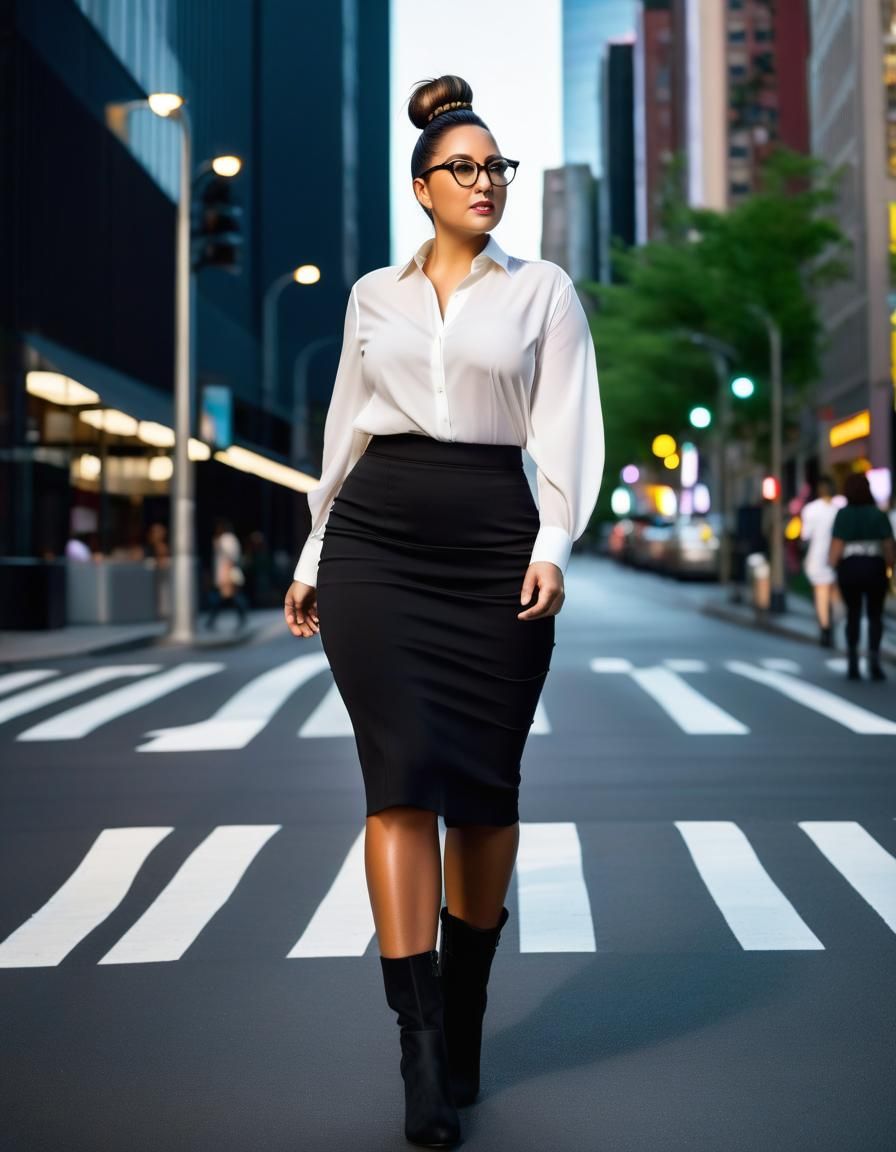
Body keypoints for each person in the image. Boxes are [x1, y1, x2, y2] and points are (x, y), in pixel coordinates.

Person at [283, 75, 603, 1148]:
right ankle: (419, 1051)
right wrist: (315, 548)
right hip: (376, 543)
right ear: (420, 187)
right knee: (399, 780)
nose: (484, 183)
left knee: (484, 792)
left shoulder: (542, 290)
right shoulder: (372, 294)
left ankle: (463, 1007)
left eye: (495, 168)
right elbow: (346, 428)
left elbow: (562, 428)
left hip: (490, 540)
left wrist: (552, 545)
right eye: (462, 169)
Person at [829, 472, 895, 681]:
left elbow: (837, 546)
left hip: (850, 567)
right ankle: (874, 660)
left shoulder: (843, 515)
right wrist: (889, 565)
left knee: (853, 614)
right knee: (875, 615)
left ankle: (853, 661)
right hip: (874, 566)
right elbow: (888, 547)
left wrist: (833, 564)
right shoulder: (878, 514)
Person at [800, 475, 845, 646]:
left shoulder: (811, 509)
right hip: (838, 557)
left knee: (821, 593)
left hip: (817, 557)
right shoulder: (839, 508)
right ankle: (833, 624)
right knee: (835, 594)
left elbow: (805, 535)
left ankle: (825, 628)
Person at [206, 518, 248, 630]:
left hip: (227, 573)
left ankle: (211, 621)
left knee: (231, 597)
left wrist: (226, 575)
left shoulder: (227, 539)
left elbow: (230, 557)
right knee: (226, 597)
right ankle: (211, 621)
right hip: (223, 573)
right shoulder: (225, 539)